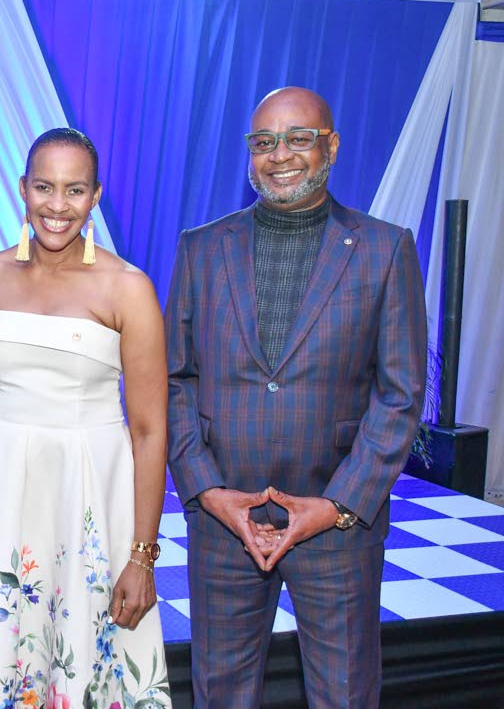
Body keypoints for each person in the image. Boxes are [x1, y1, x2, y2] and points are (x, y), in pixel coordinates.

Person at [165, 87, 428, 707]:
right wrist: (207, 491)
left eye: (298, 138)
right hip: (226, 524)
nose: (279, 154)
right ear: (249, 154)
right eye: (264, 142)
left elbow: (400, 394)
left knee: (345, 695)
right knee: (220, 694)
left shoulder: (385, 249)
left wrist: (337, 506)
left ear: (330, 145)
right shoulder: (202, 249)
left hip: (336, 526)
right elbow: (173, 380)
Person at [0, 128, 171, 708]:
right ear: (22, 189)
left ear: (95, 196)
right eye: (44, 186)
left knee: (85, 652)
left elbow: (148, 430)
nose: (57, 206)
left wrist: (142, 554)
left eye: (75, 190)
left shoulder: (129, 288)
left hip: (89, 498)